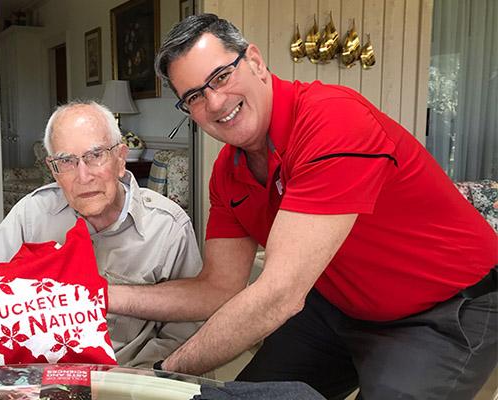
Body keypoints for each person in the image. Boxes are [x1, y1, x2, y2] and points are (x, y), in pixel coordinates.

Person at [108, 14, 498, 399]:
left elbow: (280, 294)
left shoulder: (333, 120)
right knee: (242, 396)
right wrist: (103, 295)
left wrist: (163, 374)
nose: (214, 101)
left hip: (442, 308)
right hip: (338, 303)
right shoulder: (228, 172)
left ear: (256, 63)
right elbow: (217, 289)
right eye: (193, 96)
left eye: (221, 77)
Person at [0, 101, 203, 372]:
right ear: (53, 170)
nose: (83, 176)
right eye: (66, 161)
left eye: (96, 155)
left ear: (120, 159)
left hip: (128, 380)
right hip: (33, 382)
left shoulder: (167, 227)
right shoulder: (32, 215)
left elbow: (185, 334)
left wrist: (132, 383)